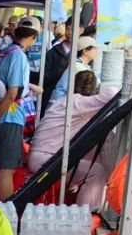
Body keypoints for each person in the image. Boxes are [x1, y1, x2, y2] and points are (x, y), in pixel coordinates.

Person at [29, 70, 119, 207]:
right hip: (46, 159)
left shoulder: (62, 101)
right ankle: (87, 218)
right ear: (94, 89)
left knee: (89, 167)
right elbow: (113, 94)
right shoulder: (79, 103)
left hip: (41, 156)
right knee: (96, 172)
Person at [0, 16, 41, 200]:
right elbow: (12, 93)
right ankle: (7, 216)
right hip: (9, 117)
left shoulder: (5, 51)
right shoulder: (18, 55)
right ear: (34, 36)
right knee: (6, 170)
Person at [48, 36, 99, 109]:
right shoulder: (78, 67)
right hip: (60, 105)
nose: (97, 51)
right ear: (85, 51)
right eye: (95, 48)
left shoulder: (80, 65)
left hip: (62, 103)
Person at [41, 17, 78, 114]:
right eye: (68, 29)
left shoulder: (82, 52)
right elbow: (44, 76)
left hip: (74, 101)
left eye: (73, 29)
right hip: (53, 98)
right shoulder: (53, 52)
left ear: (81, 30)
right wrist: (60, 71)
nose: (70, 32)